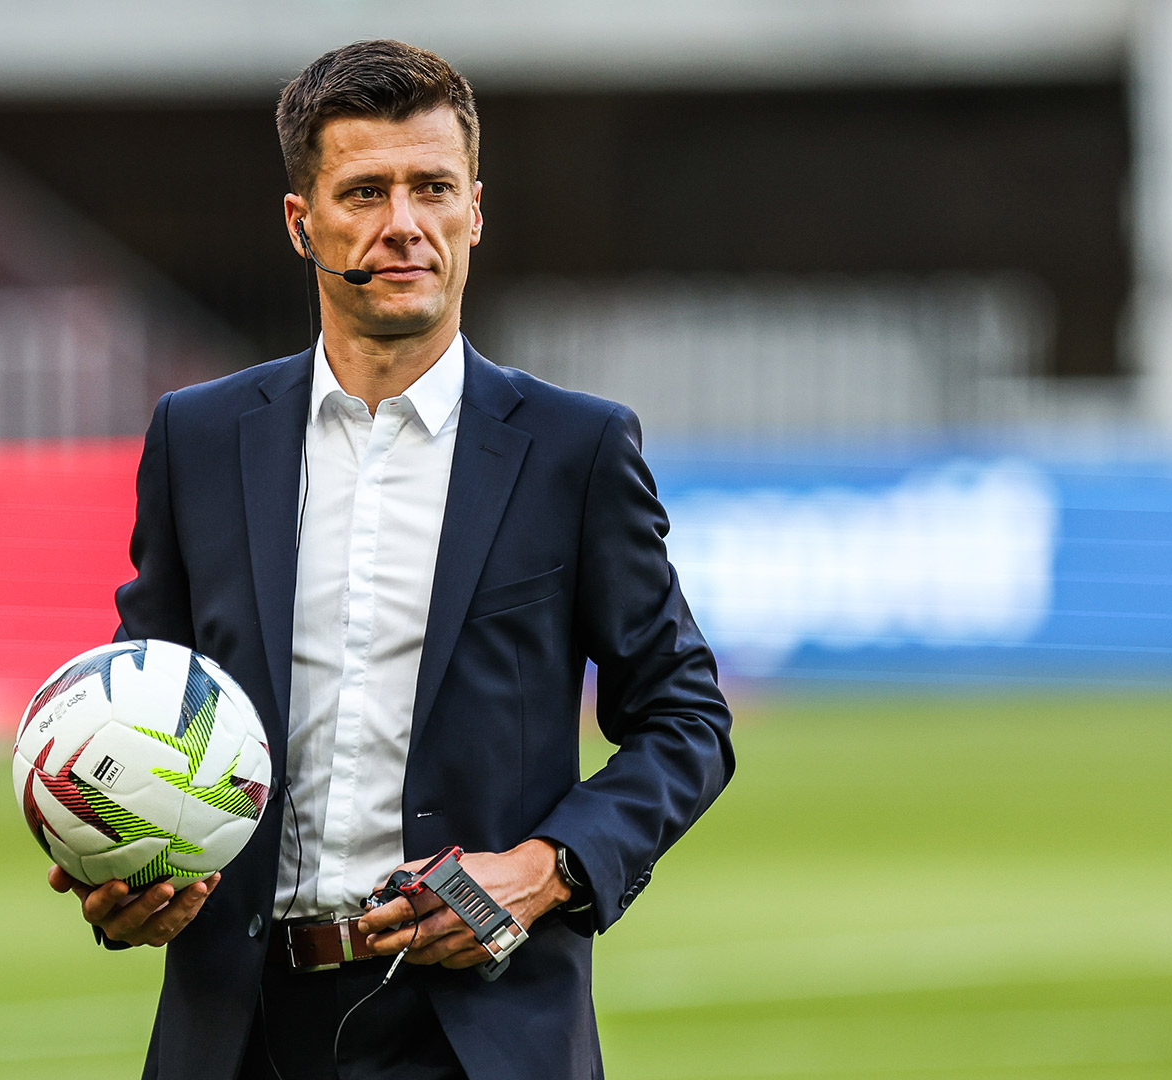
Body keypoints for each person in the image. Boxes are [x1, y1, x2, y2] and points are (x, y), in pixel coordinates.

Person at [46, 39, 733, 1080]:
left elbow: (684, 716)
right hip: (238, 1031)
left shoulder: (573, 448)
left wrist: (547, 870)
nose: (404, 223)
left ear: (475, 212)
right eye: (366, 191)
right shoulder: (200, 438)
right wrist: (127, 877)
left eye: (433, 188)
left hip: (483, 1032)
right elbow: (149, 699)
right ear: (301, 222)